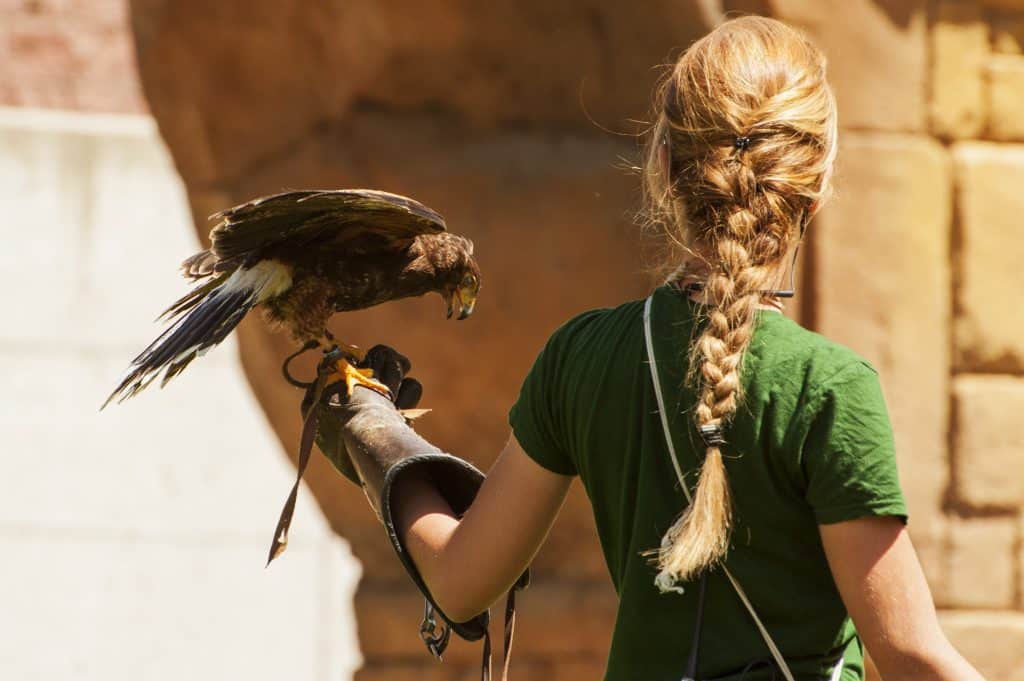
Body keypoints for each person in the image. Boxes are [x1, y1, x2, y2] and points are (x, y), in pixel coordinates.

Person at [315, 16, 984, 681]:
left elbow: (458, 581)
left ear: (663, 165)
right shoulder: (830, 387)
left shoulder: (579, 358)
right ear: (816, 184)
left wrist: (373, 435)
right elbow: (908, 654)